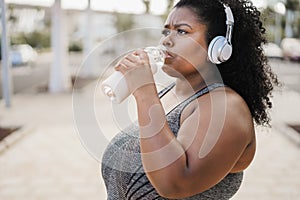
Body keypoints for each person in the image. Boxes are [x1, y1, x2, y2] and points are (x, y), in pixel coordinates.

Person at [101, 0, 279, 199]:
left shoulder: (227, 107)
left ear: (218, 47)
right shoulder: (169, 94)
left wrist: (144, 92)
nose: (167, 41)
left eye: (182, 31)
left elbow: (175, 184)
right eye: (166, 31)